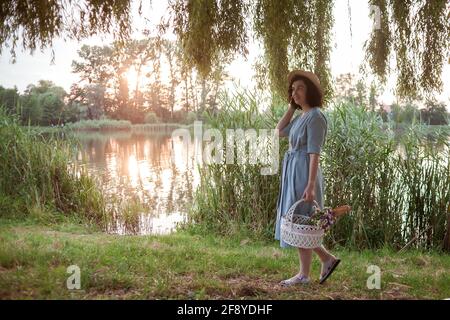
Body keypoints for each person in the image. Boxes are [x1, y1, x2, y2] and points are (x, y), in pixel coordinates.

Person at [275, 70, 340, 286]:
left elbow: (314, 152)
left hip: (304, 171)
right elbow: (279, 131)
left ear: (310, 91)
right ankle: (326, 259)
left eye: (300, 88)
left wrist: (311, 184)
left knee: (302, 221)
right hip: (294, 169)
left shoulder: (316, 117)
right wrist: (291, 107)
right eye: (292, 90)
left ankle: (304, 275)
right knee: (298, 223)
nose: (295, 92)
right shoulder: (302, 116)